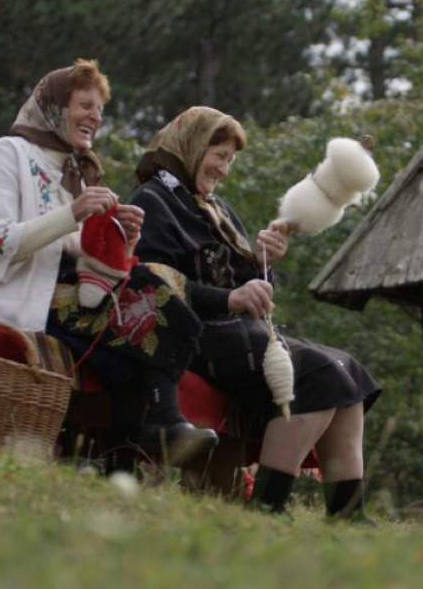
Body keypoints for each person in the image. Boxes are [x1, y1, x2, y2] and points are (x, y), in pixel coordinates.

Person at [0, 59, 217, 458]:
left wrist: (122, 236)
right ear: (54, 106)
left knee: (142, 327)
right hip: (10, 298)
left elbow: (86, 260)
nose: (95, 117)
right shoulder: (8, 154)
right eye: (85, 105)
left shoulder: (76, 172)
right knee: (150, 305)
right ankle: (160, 427)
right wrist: (73, 213)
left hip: (61, 297)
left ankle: (123, 461)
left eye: (100, 110)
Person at [129, 106, 381, 519]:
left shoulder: (218, 210)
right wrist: (229, 299)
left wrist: (261, 263)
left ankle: (348, 513)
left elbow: (246, 286)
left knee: (348, 369)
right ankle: (268, 506)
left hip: (235, 333)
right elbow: (153, 284)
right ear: (191, 146)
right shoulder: (153, 201)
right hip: (191, 335)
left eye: (230, 159)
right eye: (218, 155)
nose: (224, 170)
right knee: (318, 373)